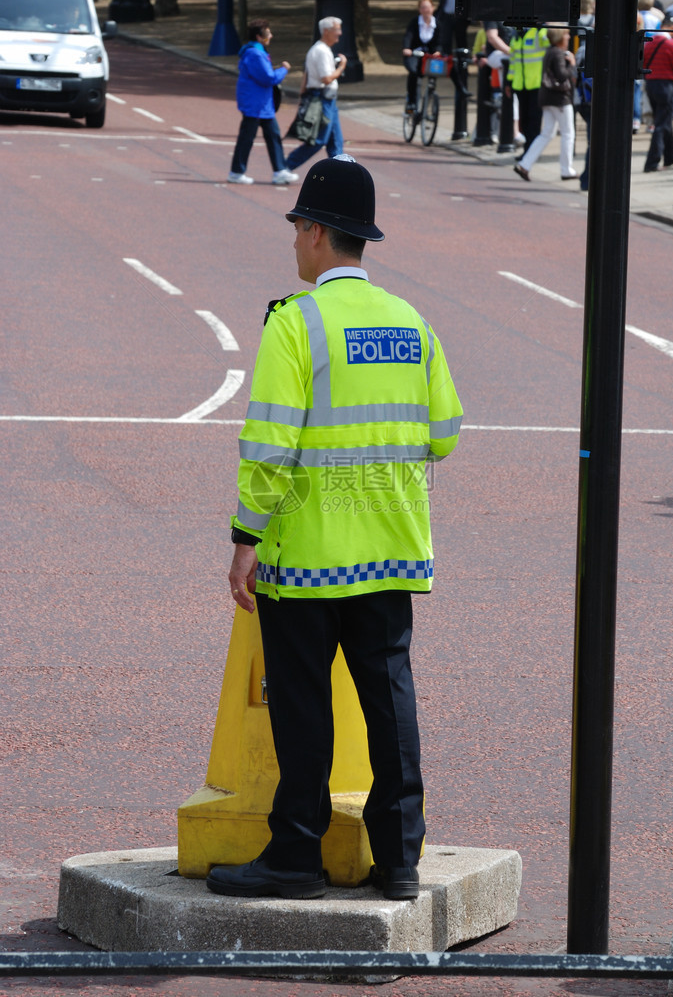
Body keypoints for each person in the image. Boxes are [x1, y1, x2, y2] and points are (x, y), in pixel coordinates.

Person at [206, 155, 463, 902]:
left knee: (301, 706)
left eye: (296, 227)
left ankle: (294, 855)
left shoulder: (297, 323)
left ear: (317, 233)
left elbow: (269, 444)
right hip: (388, 548)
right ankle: (400, 860)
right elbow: (442, 431)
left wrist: (245, 536)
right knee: (391, 704)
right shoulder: (412, 322)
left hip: (306, 554)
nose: (293, 242)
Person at [228, 19, 298, 186]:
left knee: (273, 136)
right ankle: (237, 172)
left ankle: (279, 171)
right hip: (256, 104)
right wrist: (284, 69)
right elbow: (268, 78)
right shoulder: (255, 54)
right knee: (248, 138)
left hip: (261, 104)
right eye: (268, 33)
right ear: (260, 36)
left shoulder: (256, 52)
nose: (271, 36)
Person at [513, 26, 577, 182]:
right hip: (560, 100)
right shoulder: (558, 54)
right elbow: (562, 76)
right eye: (567, 34)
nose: (569, 37)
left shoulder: (550, 51)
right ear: (560, 37)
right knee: (568, 134)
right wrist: (571, 64)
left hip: (547, 98)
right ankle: (566, 169)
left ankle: (525, 165)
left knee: (547, 133)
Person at [285, 17, 346, 172]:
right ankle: (285, 167)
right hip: (321, 99)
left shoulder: (320, 49)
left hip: (328, 101)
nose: (340, 33)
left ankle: (339, 175)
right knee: (318, 140)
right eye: (337, 29)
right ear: (327, 31)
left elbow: (306, 74)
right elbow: (326, 78)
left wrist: (302, 94)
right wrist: (342, 67)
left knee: (335, 142)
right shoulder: (321, 51)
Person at [643, 14, 673, 171]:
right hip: (666, 85)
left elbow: (644, 61)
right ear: (671, 28)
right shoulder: (672, 44)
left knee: (664, 120)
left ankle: (670, 157)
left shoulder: (650, 43)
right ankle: (652, 162)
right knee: (661, 123)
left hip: (651, 84)